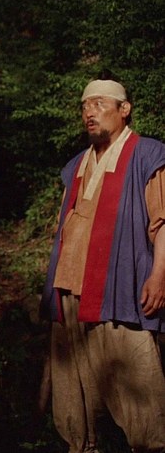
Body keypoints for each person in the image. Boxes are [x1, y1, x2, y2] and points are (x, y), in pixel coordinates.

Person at [42, 78, 165, 452]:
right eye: (84, 106)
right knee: (75, 394)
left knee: (138, 385)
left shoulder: (148, 154)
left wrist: (159, 275)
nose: (89, 112)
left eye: (99, 104)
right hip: (69, 288)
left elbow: (162, 221)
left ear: (124, 109)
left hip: (120, 286)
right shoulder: (76, 165)